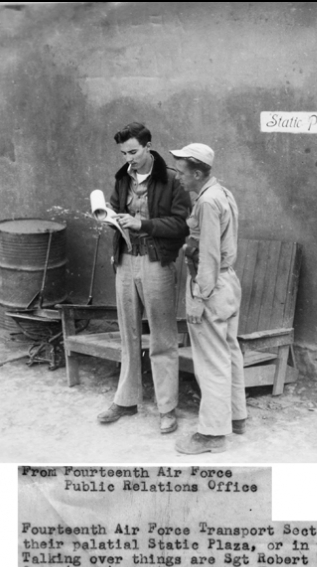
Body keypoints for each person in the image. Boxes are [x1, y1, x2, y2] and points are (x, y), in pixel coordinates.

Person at [96, 122, 191, 434]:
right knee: (128, 333)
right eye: (124, 153)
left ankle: (167, 408)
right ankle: (126, 400)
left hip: (156, 262)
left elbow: (180, 225)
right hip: (125, 260)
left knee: (162, 337)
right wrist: (109, 218)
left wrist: (142, 224)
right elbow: (112, 206)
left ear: (149, 146)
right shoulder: (122, 176)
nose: (129, 158)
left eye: (134, 151)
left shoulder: (172, 180)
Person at [169, 143, 247, 455]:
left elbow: (210, 255)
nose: (178, 178)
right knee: (229, 351)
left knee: (211, 361)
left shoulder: (207, 202)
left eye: (182, 172)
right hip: (227, 283)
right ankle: (236, 417)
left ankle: (213, 434)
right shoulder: (220, 193)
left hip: (211, 284)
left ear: (198, 173)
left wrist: (199, 297)